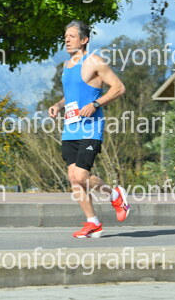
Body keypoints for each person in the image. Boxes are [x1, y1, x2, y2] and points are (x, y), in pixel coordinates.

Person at [48, 20, 130, 238]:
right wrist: (58, 105)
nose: (66, 40)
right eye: (65, 36)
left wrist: (95, 104)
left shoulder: (94, 61)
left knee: (81, 175)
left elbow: (119, 87)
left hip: (90, 128)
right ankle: (93, 222)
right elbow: (71, 95)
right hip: (70, 128)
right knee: (73, 177)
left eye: (72, 36)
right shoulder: (67, 66)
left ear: (84, 40)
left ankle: (115, 196)